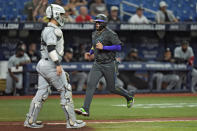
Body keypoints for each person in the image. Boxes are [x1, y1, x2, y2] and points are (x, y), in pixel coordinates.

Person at [24, 4, 86, 128]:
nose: (63, 17)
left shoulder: (47, 29)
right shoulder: (53, 30)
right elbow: (51, 48)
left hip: (43, 64)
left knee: (42, 92)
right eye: (61, 15)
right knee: (66, 90)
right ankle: (72, 122)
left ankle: (30, 120)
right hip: (51, 64)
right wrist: (58, 65)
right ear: (56, 14)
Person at [74, 14, 134, 117]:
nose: (97, 24)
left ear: (104, 23)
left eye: (99, 22)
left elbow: (119, 47)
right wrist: (90, 52)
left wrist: (104, 47)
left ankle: (129, 96)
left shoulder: (110, 33)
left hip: (109, 63)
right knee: (90, 84)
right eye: (96, 22)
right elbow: (95, 45)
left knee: (112, 88)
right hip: (97, 63)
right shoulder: (94, 34)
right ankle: (86, 109)